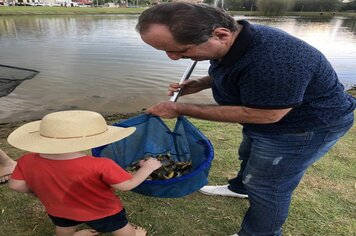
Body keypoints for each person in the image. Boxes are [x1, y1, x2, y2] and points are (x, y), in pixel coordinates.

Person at [135, 2, 356, 236]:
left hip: (305, 126)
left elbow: (266, 114)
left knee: (268, 186)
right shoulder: (234, 40)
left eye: (182, 51)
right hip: (268, 118)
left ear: (220, 34)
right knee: (248, 153)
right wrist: (200, 83)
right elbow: (234, 68)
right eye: (166, 52)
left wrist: (182, 109)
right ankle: (240, 187)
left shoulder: (275, 60)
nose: (173, 58)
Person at [7, 110, 162, 236]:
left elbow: (15, 185)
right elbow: (127, 185)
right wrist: (148, 167)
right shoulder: (101, 165)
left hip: (58, 209)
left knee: (63, 226)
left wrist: (37, 190)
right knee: (120, 227)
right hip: (103, 211)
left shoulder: (26, 160)